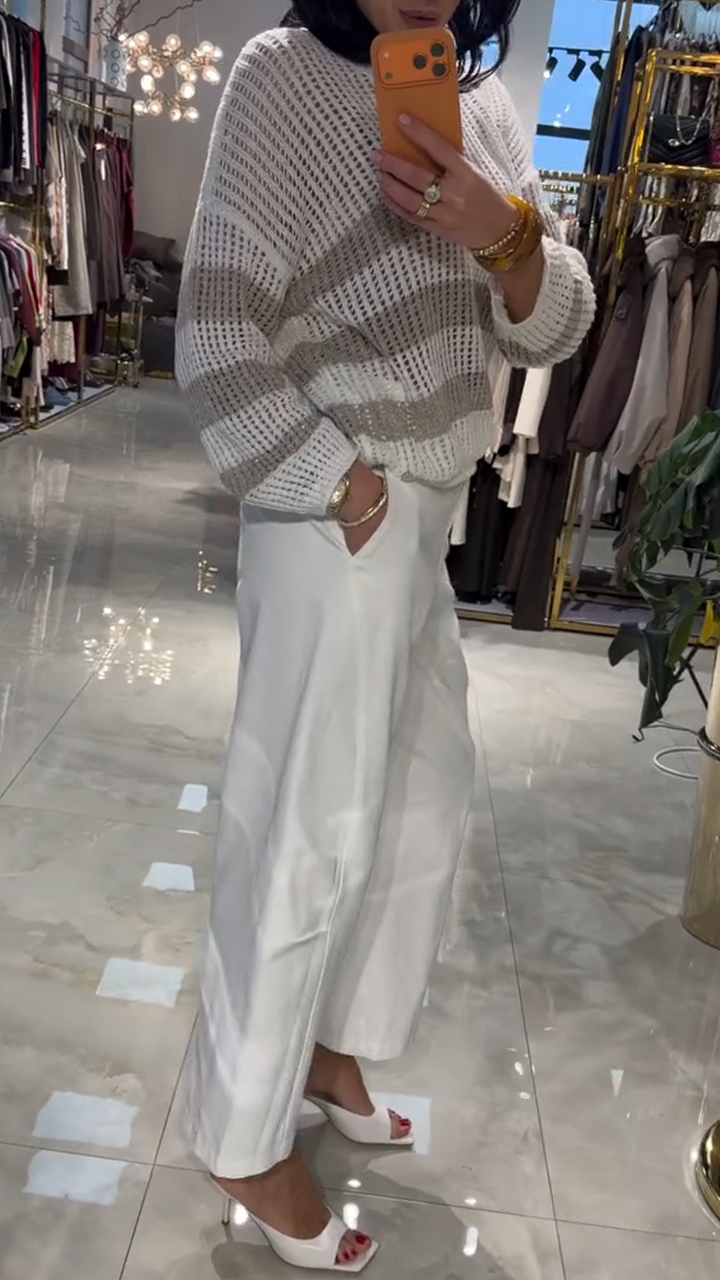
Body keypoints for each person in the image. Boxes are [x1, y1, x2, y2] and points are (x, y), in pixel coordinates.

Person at [176, 1, 595, 1270]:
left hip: (429, 505)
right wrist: (334, 478)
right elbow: (216, 329)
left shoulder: (482, 103)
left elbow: (556, 322)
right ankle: (242, 1132)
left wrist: (501, 233)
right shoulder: (279, 80)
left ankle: (328, 1047)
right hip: (332, 505)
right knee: (300, 832)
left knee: (418, 806)